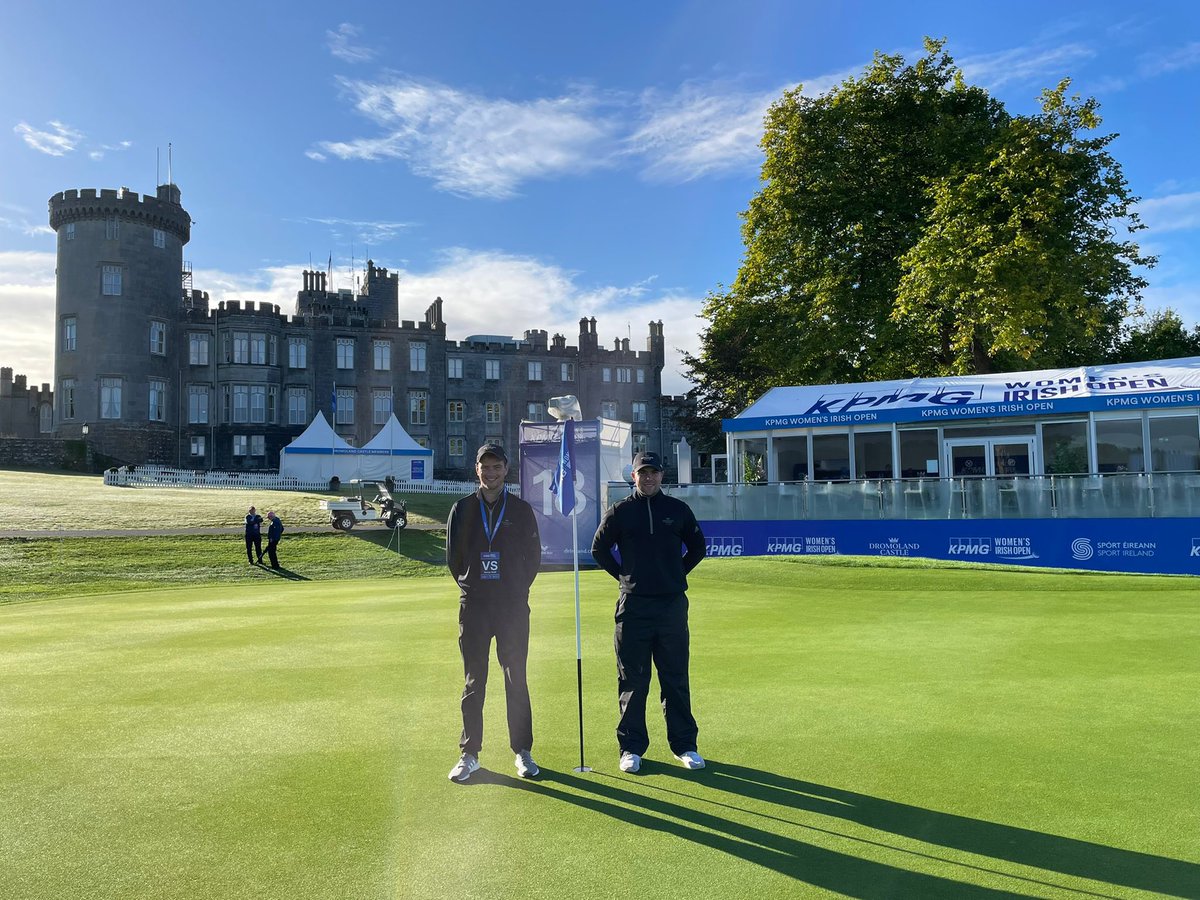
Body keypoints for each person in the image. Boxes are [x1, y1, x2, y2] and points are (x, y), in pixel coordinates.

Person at [592, 451, 707, 774]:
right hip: (634, 607)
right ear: (634, 476)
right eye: (643, 473)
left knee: (675, 677)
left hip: (671, 605)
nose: (649, 478)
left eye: (654, 473)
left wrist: (676, 575)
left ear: (661, 476)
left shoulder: (677, 510)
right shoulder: (621, 511)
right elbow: (598, 549)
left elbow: (698, 547)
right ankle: (631, 747)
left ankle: (685, 745)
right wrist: (625, 577)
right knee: (633, 679)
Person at [445, 443, 542, 782]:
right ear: (477, 470)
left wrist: (515, 589)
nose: (491, 473)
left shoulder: (520, 509)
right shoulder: (461, 509)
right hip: (475, 607)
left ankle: (523, 751)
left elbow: (534, 557)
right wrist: (474, 586)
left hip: (512, 608)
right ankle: (469, 754)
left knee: (516, 678)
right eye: (485, 467)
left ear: (505, 469)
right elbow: (453, 561)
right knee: (475, 681)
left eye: (496, 467)